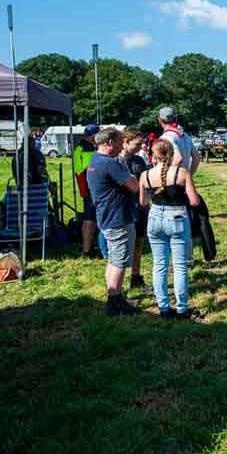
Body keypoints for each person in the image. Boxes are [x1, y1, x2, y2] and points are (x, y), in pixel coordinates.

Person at [139, 138, 202, 319]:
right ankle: (182, 308)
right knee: (180, 266)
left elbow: (143, 202)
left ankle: (164, 308)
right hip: (177, 217)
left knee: (159, 265)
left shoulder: (145, 175)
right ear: (172, 154)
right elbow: (194, 201)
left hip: (155, 218)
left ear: (153, 155)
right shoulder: (182, 174)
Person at [86, 128, 141, 315]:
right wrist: (130, 174)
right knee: (120, 261)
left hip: (106, 216)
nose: (121, 146)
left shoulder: (94, 159)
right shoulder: (111, 164)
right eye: (119, 142)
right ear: (109, 143)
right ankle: (114, 300)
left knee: (112, 259)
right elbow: (134, 186)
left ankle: (115, 295)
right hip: (118, 217)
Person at [119, 128, 149, 290]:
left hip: (140, 207)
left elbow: (146, 183)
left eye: (142, 144)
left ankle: (136, 277)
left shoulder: (139, 161)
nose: (141, 147)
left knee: (139, 243)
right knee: (123, 249)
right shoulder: (115, 161)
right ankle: (118, 287)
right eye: (137, 144)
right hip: (123, 209)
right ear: (125, 141)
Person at [74, 124, 99, 257]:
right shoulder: (85, 149)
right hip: (90, 187)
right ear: (92, 136)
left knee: (89, 218)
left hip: (87, 187)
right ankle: (87, 249)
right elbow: (80, 169)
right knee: (90, 218)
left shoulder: (81, 148)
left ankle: (88, 246)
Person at [158, 106, 201, 175]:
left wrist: (166, 177)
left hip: (172, 182)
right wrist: (188, 175)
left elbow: (178, 158)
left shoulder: (166, 137)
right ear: (176, 119)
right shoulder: (185, 135)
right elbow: (197, 157)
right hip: (183, 180)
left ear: (159, 120)